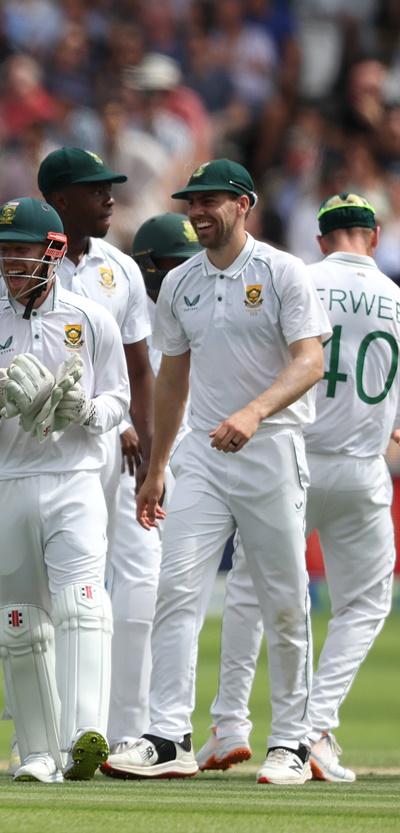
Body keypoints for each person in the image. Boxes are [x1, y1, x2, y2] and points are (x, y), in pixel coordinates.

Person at [105, 160, 330, 785]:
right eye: (191, 202)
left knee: (284, 598)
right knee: (176, 591)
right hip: (202, 455)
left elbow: (310, 360)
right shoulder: (180, 284)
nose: (198, 211)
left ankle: (291, 742)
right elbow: (172, 377)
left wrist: (254, 413)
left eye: (211, 201)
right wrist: (156, 467)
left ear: (244, 205)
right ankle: (168, 736)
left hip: (271, 446)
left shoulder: (283, 273)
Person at [194, 194, 399, 783]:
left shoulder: (295, 278)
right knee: (363, 603)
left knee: (252, 592)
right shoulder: (397, 299)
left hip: (292, 458)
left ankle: (229, 724)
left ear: (320, 239)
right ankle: (314, 729)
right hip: (363, 467)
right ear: (375, 236)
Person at [0, 197, 129, 782]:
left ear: (53, 252)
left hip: (73, 478)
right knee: (20, 621)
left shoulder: (92, 320)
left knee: (82, 603)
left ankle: (83, 736)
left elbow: (117, 399)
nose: (7, 262)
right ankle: (36, 753)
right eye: (1, 251)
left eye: (20, 249)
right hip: (6, 481)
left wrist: (87, 410)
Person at [36, 147, 158, 755]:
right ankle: (40, 728)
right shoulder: (16, 259)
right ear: (60, 200)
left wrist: (150, 448)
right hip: (35, 446)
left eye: (110, 188)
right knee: (44, 589)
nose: (109, 197)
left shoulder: (120, 268)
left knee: (133, 578)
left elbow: (138, 368)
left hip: (112, 444)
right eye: (95, 189)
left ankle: (125, 728)